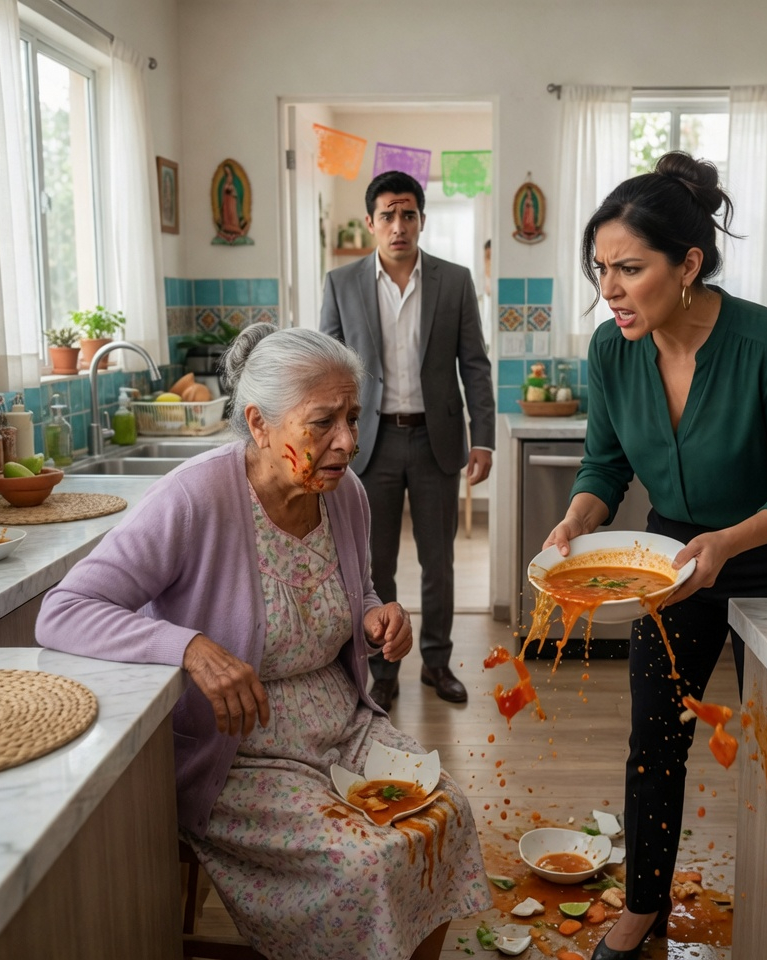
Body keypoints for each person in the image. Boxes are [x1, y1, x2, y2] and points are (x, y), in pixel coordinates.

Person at [36, 325, 491, 960]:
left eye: (353, 419)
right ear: (258, 422)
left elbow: (355, 590)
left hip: (343, 726)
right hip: (243, 754)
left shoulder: (345, 493)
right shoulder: (195, 497)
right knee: (365, 862)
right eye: (323, 422)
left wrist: (374, 616)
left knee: (448, 814)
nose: (348, 443)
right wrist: (190, 647)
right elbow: (64, 609)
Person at [543, 151, 767, 960]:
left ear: (689, 265)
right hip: (672, 567)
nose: (609, 288)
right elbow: (606, 466)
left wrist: (731, 541)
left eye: (630, 269)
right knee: (654, 740)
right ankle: (642, 906)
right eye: (601, 268)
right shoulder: (612, 351)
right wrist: (574, 520)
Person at [320, 170, 496, 711]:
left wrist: (484, 439)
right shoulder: (341, 283)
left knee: (439, 561)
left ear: (421, 219)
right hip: (366, 446)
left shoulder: (455, 280)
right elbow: (326, 368)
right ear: (371, 222)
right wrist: (329, 441)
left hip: (435, 440)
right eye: (388, 215)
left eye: (409, 214)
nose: (399, 225)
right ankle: (384, 667)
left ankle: (438, 664)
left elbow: (475, 364)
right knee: (374, 565)